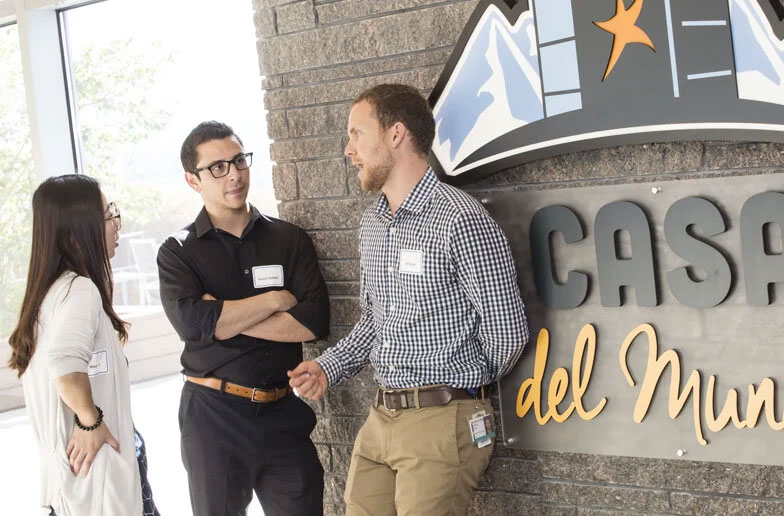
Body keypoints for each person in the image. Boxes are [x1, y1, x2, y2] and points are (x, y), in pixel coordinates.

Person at [288, 84, 530, 515]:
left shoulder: (461, 219)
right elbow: (374, 321)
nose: (348, 149)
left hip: (442, 420)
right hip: (381, 416)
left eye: (357, 134)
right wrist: (328, 367)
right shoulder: (373, 224)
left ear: (396, 134)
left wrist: (463, 385)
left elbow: (507, 331)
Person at [157, 121, 330, 516]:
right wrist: (275, 299)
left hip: (283, 411)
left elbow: (314, 321)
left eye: (238, 161)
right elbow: (193, 325)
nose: (233, 174)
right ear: (192, 179)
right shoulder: (178, 252)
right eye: (217, 167)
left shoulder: (289, 239)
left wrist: (221, 313)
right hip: (213, 415)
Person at [8, 174, 159, 516]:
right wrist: (90, 420)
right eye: (107, 216)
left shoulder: (49, 294)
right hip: (99, 489)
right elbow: (64, 363)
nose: (116, 225)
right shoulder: (79, 291)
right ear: (76, 232)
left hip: (76, 489)